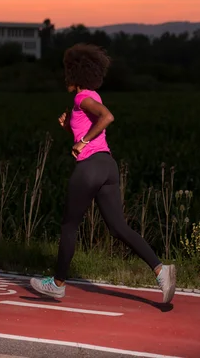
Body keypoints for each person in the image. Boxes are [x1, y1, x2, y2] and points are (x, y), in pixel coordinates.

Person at [30, 43, 176, 304]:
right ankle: (160, 270)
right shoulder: (91, 96)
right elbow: (89, 132)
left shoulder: (80, 97)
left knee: (69, 225)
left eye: (67, 73)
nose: (65, 78)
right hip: (107, 165)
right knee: (118, 227)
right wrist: (70, 131)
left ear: (75, 75)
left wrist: (82, 141)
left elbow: (107, 118)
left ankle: (58, 284)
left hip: (90, 167)